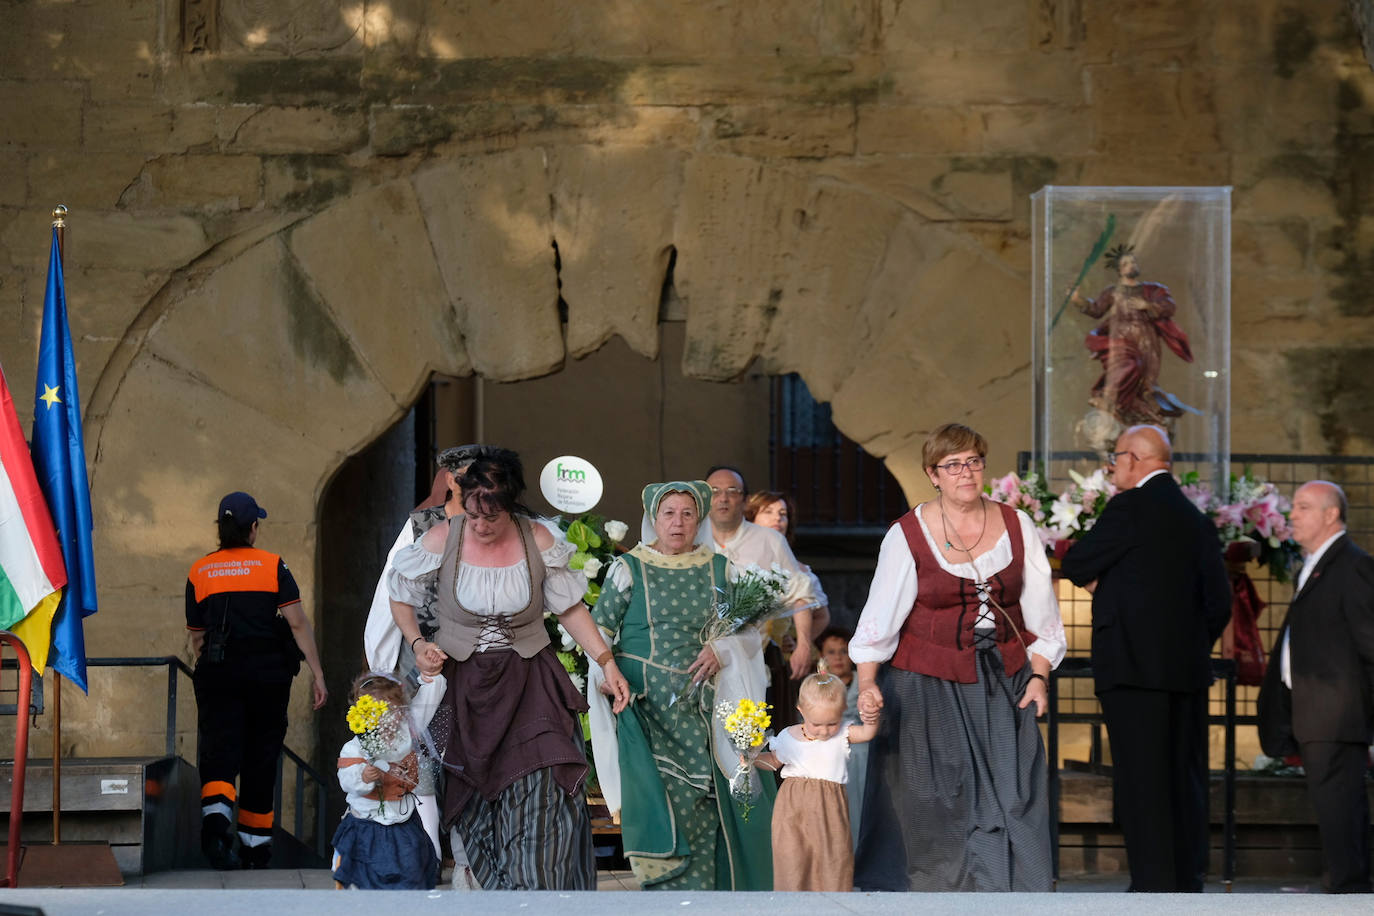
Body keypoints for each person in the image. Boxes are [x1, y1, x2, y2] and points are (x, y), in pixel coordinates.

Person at [386, 452, 631, 890]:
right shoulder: (445, 536)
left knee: (544, 784)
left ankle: (537, 886)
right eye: (475, 514)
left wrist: (606, 663)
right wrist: (419, 643)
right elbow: (399, 593)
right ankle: (494, 888)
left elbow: (570, 607)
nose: (481, 525)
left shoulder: (538, 538)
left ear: (510, 505)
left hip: (530, 681)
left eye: (491, 516)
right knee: (476, 795)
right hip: (464, 686)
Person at [851, 423, 1066, 891]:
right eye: (953, 465)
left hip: (1004, 677)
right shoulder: (907, 533)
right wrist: (868, 682)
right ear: (933, 474)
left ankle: (1015, 894)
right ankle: (940, 894)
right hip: (927, 680)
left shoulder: (1017, 525)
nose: (965, 472)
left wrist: (1038, 677)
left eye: (973, 461)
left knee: (1016, 791)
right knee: (938, 797)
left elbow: (1042, 615)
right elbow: (880, 617)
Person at [1062, 424, 1231, 892]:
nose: (1111, 467)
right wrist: (1191, 647)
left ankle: (1154, 883)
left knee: (1142, 779)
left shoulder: (1130, 507)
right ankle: (1187, 876)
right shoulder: (1196, 519)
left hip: (1133, 671)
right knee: (1185, 775)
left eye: (1115, 457)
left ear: (1135, 459)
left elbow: (1077, 563)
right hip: (1187, 673)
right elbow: (1219, 602)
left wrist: (1108, 588)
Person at [587, 480, 774, 890]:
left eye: (687, 514)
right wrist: (607, 674)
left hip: (703, 707)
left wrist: (721, 649)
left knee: (705, 799)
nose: (677, 522)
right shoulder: (628, 568)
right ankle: (666, 892)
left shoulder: (721, 568)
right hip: (647, 706)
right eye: (668, 513)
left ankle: (705, 897)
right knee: (661, 796)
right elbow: (596, 632)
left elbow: (748, 632)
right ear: (654, 519)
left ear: (699, 520)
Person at [362, 443, 520, 862]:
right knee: (426, 753)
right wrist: (383, 666)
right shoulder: (420, 526)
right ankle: (431, 850)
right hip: (424, 660)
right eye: (468, 474)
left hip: (484, 658)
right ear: (450, 480)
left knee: (475, 751)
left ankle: (475, 847)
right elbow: (390, 594)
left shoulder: (501, 524)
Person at [185, 491, 328, 870]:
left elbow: (197, 636)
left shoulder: (200, 571)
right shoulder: (272, 566)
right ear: (253, 528)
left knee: (219, 754)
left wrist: (213, 670)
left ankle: (215, 834)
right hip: (267, 677)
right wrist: (317, 673)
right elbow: (297, 623)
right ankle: (254, 850)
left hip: (219, 674)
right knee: (260, 759)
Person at [1258, 480, 1374, 893]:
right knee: (1332, 801)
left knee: (1340, 800)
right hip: (1315, 707)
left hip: (1337, 709)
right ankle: (1342, 881)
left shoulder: (1353, 565)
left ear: (1331, 515)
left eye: (1304, 507)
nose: (1292, 515)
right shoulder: (1316, 563)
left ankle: (1349, 887)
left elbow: (1370, 643)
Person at [756, 671, 879, 891]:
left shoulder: (843, 733)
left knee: (832, 855)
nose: (824, 731)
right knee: (793, 855)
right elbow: (774, 761)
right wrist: (751, 758)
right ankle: (792, 902)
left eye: (832, 723)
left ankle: (831, 903)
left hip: (829, 807)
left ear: (842, 713)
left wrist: (871, 717)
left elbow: (868, 733)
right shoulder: (787, 736)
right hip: (792, 807)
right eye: (817, 724)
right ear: (801, 711)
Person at [707, 467, 826, 682]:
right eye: (714, 491)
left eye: (732, 491)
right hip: (698, 658)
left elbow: (800, 593)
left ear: (744, 500)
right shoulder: (691, 538)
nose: (723, 498)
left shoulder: (770, 540)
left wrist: (803, 645)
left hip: (754, 658)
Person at [332, 671, 444, 890]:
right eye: (374, 711)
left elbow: (433, 693)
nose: (384, 718)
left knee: (410, 876)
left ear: (401, 712)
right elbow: (346, 779)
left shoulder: (407, 735)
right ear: (361, 712)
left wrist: (430, 673)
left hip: (403, 826)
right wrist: (363, 777)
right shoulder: (355, 747)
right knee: (363, 880)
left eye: (390, 710)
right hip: (367, 827)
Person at [1070, 246, 1196, 434]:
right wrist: (1078, 300)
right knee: (1127, 367)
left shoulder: (1152, 290)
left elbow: (1169, 306)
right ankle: (1109, 399)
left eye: (1133, 262)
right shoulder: (1112, 291)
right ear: (1119, 270)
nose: (1131, 266)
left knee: (1146, 380)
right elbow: (1096, 309)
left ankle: (1136, 413)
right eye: (1126, 263)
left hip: (1146, 339)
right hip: (1120, 338)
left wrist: (1148, 305)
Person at [745, 488, 831, 729]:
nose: (777, 519)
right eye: (768, 512)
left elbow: (822, 615)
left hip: (775, 661)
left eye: (783, 514)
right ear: (751, 518)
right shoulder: (738, 561)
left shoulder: (799, 570)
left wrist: (798, 642)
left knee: (778, 724)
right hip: (740, 655)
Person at [815, 626, 867, 848]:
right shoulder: (816, 686)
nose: (837, 658)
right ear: (821, 657)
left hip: (862, 753)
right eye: (831, 652)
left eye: (843, 651)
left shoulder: (866, 682)